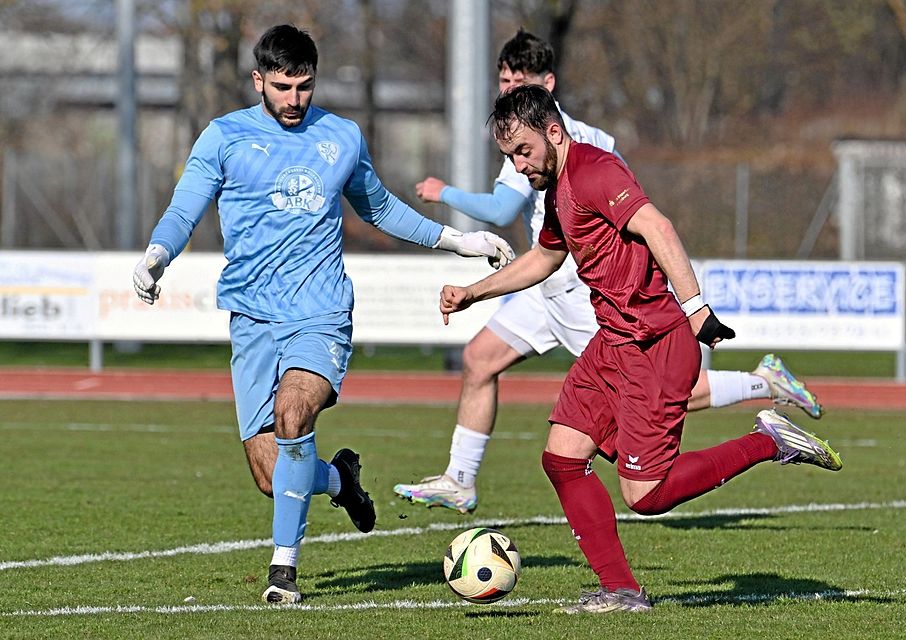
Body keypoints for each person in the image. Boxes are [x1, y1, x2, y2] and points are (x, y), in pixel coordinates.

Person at [131, 25, 514, 605]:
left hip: (321, 310)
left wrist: (458, 241)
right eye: (282, 87)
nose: (294, 99)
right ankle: (339, 479)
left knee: (294, 413)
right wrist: (157, 254)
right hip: (252, 318)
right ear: (258, 80)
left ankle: (282, 570)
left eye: (304, 86)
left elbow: (379, 207)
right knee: (271, 475)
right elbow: (185, 209)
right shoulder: (224, 137)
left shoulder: (341, 136)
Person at [439, 84, 842, 614]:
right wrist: (474, 293)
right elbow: (544, 258)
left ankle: (767, 441)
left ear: (553, 132)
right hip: (613, 343)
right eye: (510, 156)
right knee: (562, 459)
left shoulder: (595, 170)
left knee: (646, 495)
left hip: (654, 344)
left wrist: (696, 308)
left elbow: (657, 226)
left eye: (523, 151)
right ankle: (621, 591)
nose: (518, 166)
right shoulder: (558, 190)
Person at [394, 29, 821, 515]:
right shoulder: (535, 147)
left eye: (520, 81)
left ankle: (763, 387)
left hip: (593, 296)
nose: (508, 91)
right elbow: (545, 252)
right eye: (504, 80)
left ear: (546, 87)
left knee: (657, 421)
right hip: (549, 286)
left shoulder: (562, 146)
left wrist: (443, 193)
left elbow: (512, 211)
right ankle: (460, 479)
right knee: (483, 363)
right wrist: (474, 293)